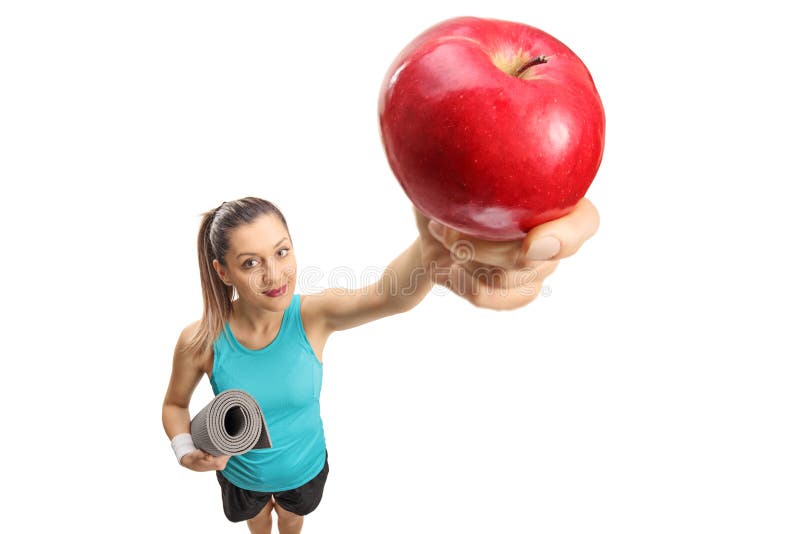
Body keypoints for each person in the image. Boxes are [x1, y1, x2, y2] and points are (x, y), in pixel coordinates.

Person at [162, 196, 599, 533]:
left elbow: (388, 294)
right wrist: (186, 451)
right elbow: (175, 405)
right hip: (241, 475)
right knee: (259, 524)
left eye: (281, 252)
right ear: (223, 272)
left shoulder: (312, 316)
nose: (274, 275)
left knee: (292, 523)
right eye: (250, 263)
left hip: (305, 467)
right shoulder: (200, 340)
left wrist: (433, 245)